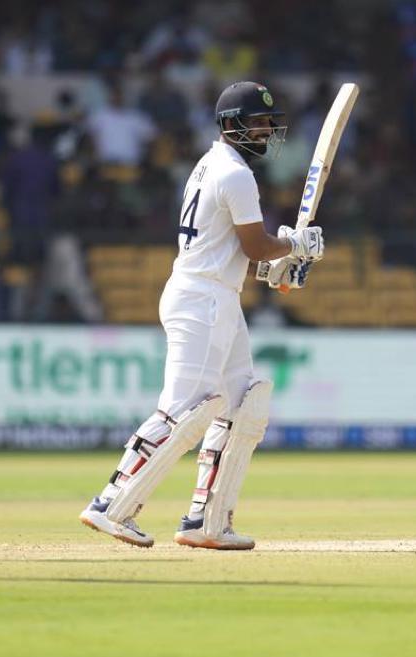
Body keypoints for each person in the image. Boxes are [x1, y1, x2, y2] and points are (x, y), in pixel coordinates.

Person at [79, 81, 323, 550]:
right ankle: (111, 503)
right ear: (232, 124)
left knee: (242, 406)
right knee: (184, 410)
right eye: (258, 122)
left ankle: (205, 522)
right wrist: (295, 244)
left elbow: (237, 251)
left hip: (217, 295)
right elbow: (254, 243)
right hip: (202, 300)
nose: (267, 130)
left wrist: (275, 268)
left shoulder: (212, 164)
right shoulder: (235, 173)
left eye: (269, 122)